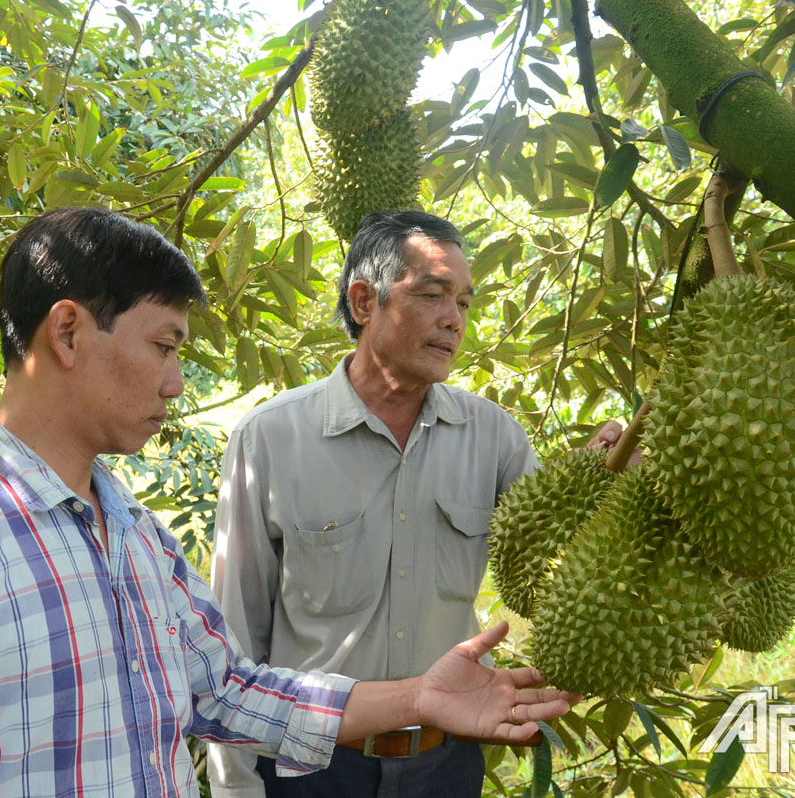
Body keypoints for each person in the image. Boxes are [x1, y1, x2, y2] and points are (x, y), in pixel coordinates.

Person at [0, 207, 578, 798]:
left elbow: (228, 689)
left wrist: (419, 695)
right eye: (164, 346)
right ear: (70, 333)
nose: (177, 384)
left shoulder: (135, 538)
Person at [208, 210, 623, 798]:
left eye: (464, 303)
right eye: (432, 295)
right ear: (362, 302)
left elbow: (561, 546)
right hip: (311, 764)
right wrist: (235, 788)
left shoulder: (493, 437)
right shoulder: (270, 438)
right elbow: (235, 636)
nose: (453, 321)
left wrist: (606, 475)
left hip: (443, 762)